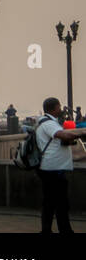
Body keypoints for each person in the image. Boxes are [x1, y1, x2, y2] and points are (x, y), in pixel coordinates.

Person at [34, 96, 86, 233]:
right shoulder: (49, 124)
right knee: (61, 204)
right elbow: (63, 136)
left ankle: (46, 230)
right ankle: (65, 230)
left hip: (50, 167)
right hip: (53, 169)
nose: (60, 108)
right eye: (59, 106)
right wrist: (82, 132)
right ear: (54, 108)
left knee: (50, 203)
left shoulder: (47, 122)